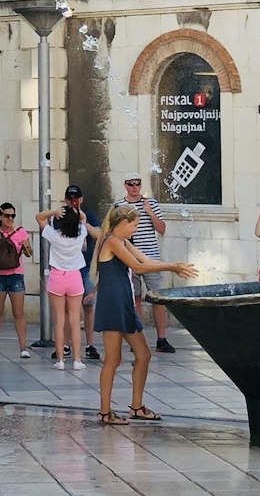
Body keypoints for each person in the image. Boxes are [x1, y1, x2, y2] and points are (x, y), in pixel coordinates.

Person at [92, 204, 199, 424]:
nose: (136, 229)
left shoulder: (122, 242)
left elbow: (146, 260)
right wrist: (171, 267)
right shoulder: (111, 241)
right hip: (113, 305)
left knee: (144, 354)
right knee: (113, 359)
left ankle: (137, 406)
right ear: (123, 223)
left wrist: (174, 265)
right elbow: (137, 268)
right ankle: (105, 412)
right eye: (135, 225)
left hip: (125, 304)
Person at [115, 175, 175, 352]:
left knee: (158, 298)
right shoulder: (119, 205)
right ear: (125, 185)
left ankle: (161, 338)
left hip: (150, 256)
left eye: (138, 184)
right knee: (135, 299)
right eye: (131, 184)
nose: (135, 187)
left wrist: (149, 211)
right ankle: (139, 338)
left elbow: (162, 229)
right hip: (129, 257)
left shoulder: (151, 203)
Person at [35, 203, 95, 369]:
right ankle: (77, 360)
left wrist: (54, 211)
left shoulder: (54, 235)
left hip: (57, 277)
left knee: (59, 321)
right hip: (75, 277)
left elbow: (39, 217)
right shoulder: (80, 234)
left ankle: (60, 359)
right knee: (75, 321)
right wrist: (76, 211)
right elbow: (83, 219)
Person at [0, 202, 34, 359]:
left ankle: (23, 348)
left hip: (16, 275)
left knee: (18, 313)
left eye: (12, 216)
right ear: (0, 216)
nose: (10, 219)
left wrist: (26, 246)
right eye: (6, 216)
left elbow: (29, 254)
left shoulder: (21, 232)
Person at [57, 185, 101, 361]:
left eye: (75, 198)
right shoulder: (61, 215)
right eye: (70, 198)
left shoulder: (88, 215)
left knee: (89, 307)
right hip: (67, 267)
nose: (73, 201)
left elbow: (98, 234)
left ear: (81, 199)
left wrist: (84, 222)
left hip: (85, 268)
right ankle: (66, 344)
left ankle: (90, 345)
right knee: (67, 309)